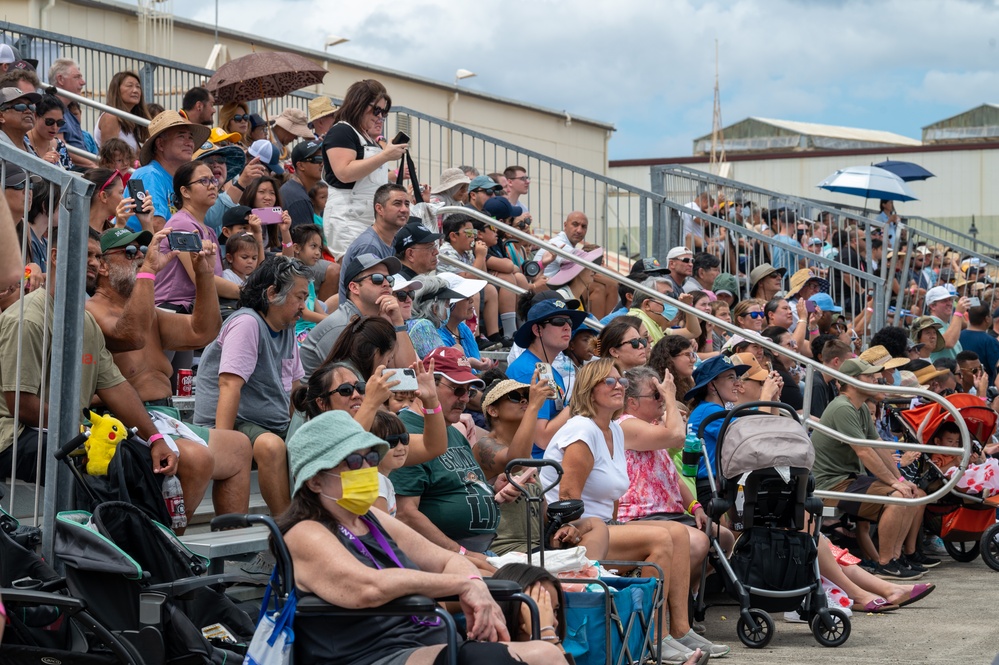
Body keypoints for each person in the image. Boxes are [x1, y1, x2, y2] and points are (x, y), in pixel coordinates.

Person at [280, 410, 561, 664]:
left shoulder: (371, 519)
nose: (366, 468)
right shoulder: (306, 531)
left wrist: (474, 582)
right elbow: (370, 586)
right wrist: (462, 586)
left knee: (536, 629)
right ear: (315, 480)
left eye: (371, 458)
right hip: (374, 655)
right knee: (543, 655)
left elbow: (445, 561)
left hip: (426, 641)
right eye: (353, 461)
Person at [538, 359, 729, 661]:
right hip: (576, 532)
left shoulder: (612, 429)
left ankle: (679, 629)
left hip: (604, 524)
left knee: (679, 533)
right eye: (610, 382)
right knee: (661, 539)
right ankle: (654, 635)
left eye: (622, 382)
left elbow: (613, 493)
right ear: (589, 389)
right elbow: (567, 498)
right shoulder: (581, 431)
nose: (619, 386)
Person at [86, 227, 252, 517]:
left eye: (141, 251)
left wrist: (202, 275)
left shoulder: (146, 310)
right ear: (102, 265)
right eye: (129, 253)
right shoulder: (92, 311)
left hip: (168, 416)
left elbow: (203, 331)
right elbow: (131, 335)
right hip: (128, 422)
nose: (138, 257)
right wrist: (148, 271)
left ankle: (230, 547)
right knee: (198, 458)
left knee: (238, 448)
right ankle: (169, 553)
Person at [0, 229, 179, 489]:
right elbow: (21, 405)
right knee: (112, 461)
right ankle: (84, 529)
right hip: (12, 435)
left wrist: (155, 440)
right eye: (87, 254)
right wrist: (83, 430)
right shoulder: (28, 319)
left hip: (59, 430)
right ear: (55, 256)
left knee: (136, 457)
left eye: (97, 256)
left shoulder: (85, 321)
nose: (95, 262)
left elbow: (115, 386)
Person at [193, 256, 311, 515]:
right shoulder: (247, 323)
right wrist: (225, 443)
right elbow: (228, 385)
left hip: (269, 422)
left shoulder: (286, 326)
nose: (304, 306)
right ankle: (287, 526)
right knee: (271, 446)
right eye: (300, 297)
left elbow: (295, 388)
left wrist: (304, 431)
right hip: (234, 421)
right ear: (272, 293)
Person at [811, 358, 929, 579]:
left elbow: (879, 447)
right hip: (831, 484)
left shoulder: (860, 408)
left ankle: (895, 557)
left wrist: (901, 480)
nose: (876, 379)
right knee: (897, 498)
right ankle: (884, 563)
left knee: (909, 494)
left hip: (849, 479)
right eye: (869, 376)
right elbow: (864, 452)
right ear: (852, 382)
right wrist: (895, 484)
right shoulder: (842, 407)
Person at [477, 378, 611, 559]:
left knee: (596, 524)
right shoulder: (484, 446)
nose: (525, 400)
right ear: (493, 410)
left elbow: (543, 514)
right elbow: (514, 461)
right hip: (508, 548)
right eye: (515, 397)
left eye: (527, 396)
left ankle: (586, 576)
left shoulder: (528, 456)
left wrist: (565, 528)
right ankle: (583, 578)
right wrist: (534, 406)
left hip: (538, 545)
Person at [391, 347, 500, 559]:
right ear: (427, 384)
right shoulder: (404, 432)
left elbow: (461, 484)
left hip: (480, 551)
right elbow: (405, 514)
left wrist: (495, 489)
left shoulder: (453, 431)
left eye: (468, 391)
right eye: (458, 389)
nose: (465, 399)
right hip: (441, 557)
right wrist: (460, 553)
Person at [321, 79, 408, 258]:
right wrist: (385, 155)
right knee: (354, 274)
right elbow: (344, 172)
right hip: (347, 219)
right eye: (376, 110)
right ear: (359, 104)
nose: (380, 116)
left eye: (384, 112)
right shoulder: (342, 131)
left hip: (369, 220)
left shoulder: (367, 137)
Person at [301, 253, 418, 378]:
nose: (386, 284)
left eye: (389, 279)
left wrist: (398, 322)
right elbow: (351, 385)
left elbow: (409, 373)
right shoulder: (342, 326)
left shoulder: (380, 320)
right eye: (377, 278)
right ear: (354, 287)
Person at [152, 161, 237, 312]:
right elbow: (201, 280)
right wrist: (246, 292)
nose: (212, 186)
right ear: (185, 192)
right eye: (203, 181)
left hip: (200, 307)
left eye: (213, 180)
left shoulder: (209, 231)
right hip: (176, 309)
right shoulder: (181, 224)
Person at [506, 299, 587, 457]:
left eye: (569, 322)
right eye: (558, 321)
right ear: (537, 330)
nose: (567, 327)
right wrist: (581, 399)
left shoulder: (547, 370)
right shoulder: (528, 372)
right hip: (536, 466)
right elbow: (542, 439)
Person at [125, 111, 211, 233]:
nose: (189, 143)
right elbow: (157, 225)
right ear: (160, 144)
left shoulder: (174, 178)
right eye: (181, 136)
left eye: (190, 137)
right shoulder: (150, 175)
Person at [684, 355, 752, 506]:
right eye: (730, 378)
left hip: (714, 486)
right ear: (712, 385)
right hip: (714, 489)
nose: (737, 383)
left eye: (737, 377)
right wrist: (766, 395)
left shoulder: (705, 409)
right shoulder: (710, 410)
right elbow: (750, 439)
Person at [437, 213, 506, 347]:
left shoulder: (467, 251)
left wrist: (481, 256)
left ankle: (494, 334)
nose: (473, 236)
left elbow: (483, 276)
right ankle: (475, 336)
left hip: (465, 286)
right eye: (469, 232)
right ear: (453, 236)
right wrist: (480, 257)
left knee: (490, 289)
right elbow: (466, 278)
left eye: (474, 232)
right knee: (473, 293)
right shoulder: (446, 252)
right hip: (450, 292)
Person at [338, 183, 411, 302]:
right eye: (397, 203)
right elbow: (368, 296)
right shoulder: (369, 246)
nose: (404, 209)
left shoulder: (389, 240)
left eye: (407, 204)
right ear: (379, 209)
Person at [47, 58, 96, 167]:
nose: (83, 82)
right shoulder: (53, 108)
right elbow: (61, 147)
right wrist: (93, 166)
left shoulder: (68, 110)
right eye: (77, 77)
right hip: (75, 171)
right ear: (60, 79)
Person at [83, 168, 152, 233]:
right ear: (104, 196)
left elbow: (151, 245)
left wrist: (146, 222)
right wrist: (118, 228)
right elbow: (102, 245)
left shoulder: (120, 228)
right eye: (120, 192)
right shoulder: (80, 233)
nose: (123, 198)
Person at [95, 71, 150, 151]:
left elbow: (137, 155)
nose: (135, 90)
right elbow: (111, 156)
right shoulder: (111, 117)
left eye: (138, 87)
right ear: (117, 90)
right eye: (129, 86)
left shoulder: (129, 121)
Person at [291, 224, 328, 342]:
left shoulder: (309, 278)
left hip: (312, 329)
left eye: (320, 248)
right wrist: (334, 321)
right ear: (296, 248)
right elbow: (304, 313)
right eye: (313, 246)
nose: (318, 253)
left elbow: (317, 308)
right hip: (299, 333)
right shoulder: (294, 277)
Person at [372, 409, 410, 516]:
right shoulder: (377, 481)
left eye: (404, 439)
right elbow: (382, 527)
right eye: (391, 442)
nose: (401, 447)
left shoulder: (382, 479)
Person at [24, 93, 72, 169]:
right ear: (36, 116)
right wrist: (41, 165)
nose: (55, 127)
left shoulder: (60, 146)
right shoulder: (23, 142)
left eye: (60, 123)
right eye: (49, 121)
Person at [924, 286, 970, 362]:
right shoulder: (929, 323)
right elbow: (948, 343)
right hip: (941, 371)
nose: (949, 303)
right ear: (932, 306)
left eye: (950, 300)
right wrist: (958, 313)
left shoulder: (948, 325)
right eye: (944, 301)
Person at [959, 304, 999, 385]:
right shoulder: (990, 341)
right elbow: (995, 367)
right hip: (984, 386)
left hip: (963, 381)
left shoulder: (959, 335)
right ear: (987, 319)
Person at [0, 87, 39, 152]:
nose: (28, 111)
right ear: (1, 116)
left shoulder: (30, 151)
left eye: (31, 106)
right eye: (20, 106)